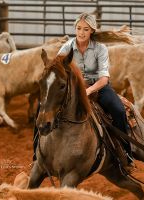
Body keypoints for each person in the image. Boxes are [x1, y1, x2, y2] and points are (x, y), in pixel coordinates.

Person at [57, 12, 134, 171]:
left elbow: (104, 78)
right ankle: (37, 154)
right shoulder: (66, 48)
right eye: (79, 28)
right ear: (75, 28)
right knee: (43, 108)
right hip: (74, 88)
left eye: (86, 29)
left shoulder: (100, 48)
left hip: (98, 87)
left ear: (92, 31)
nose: (81, 32)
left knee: (118, 110)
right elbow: (57, 70)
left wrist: (88, 90)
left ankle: (126, 152)